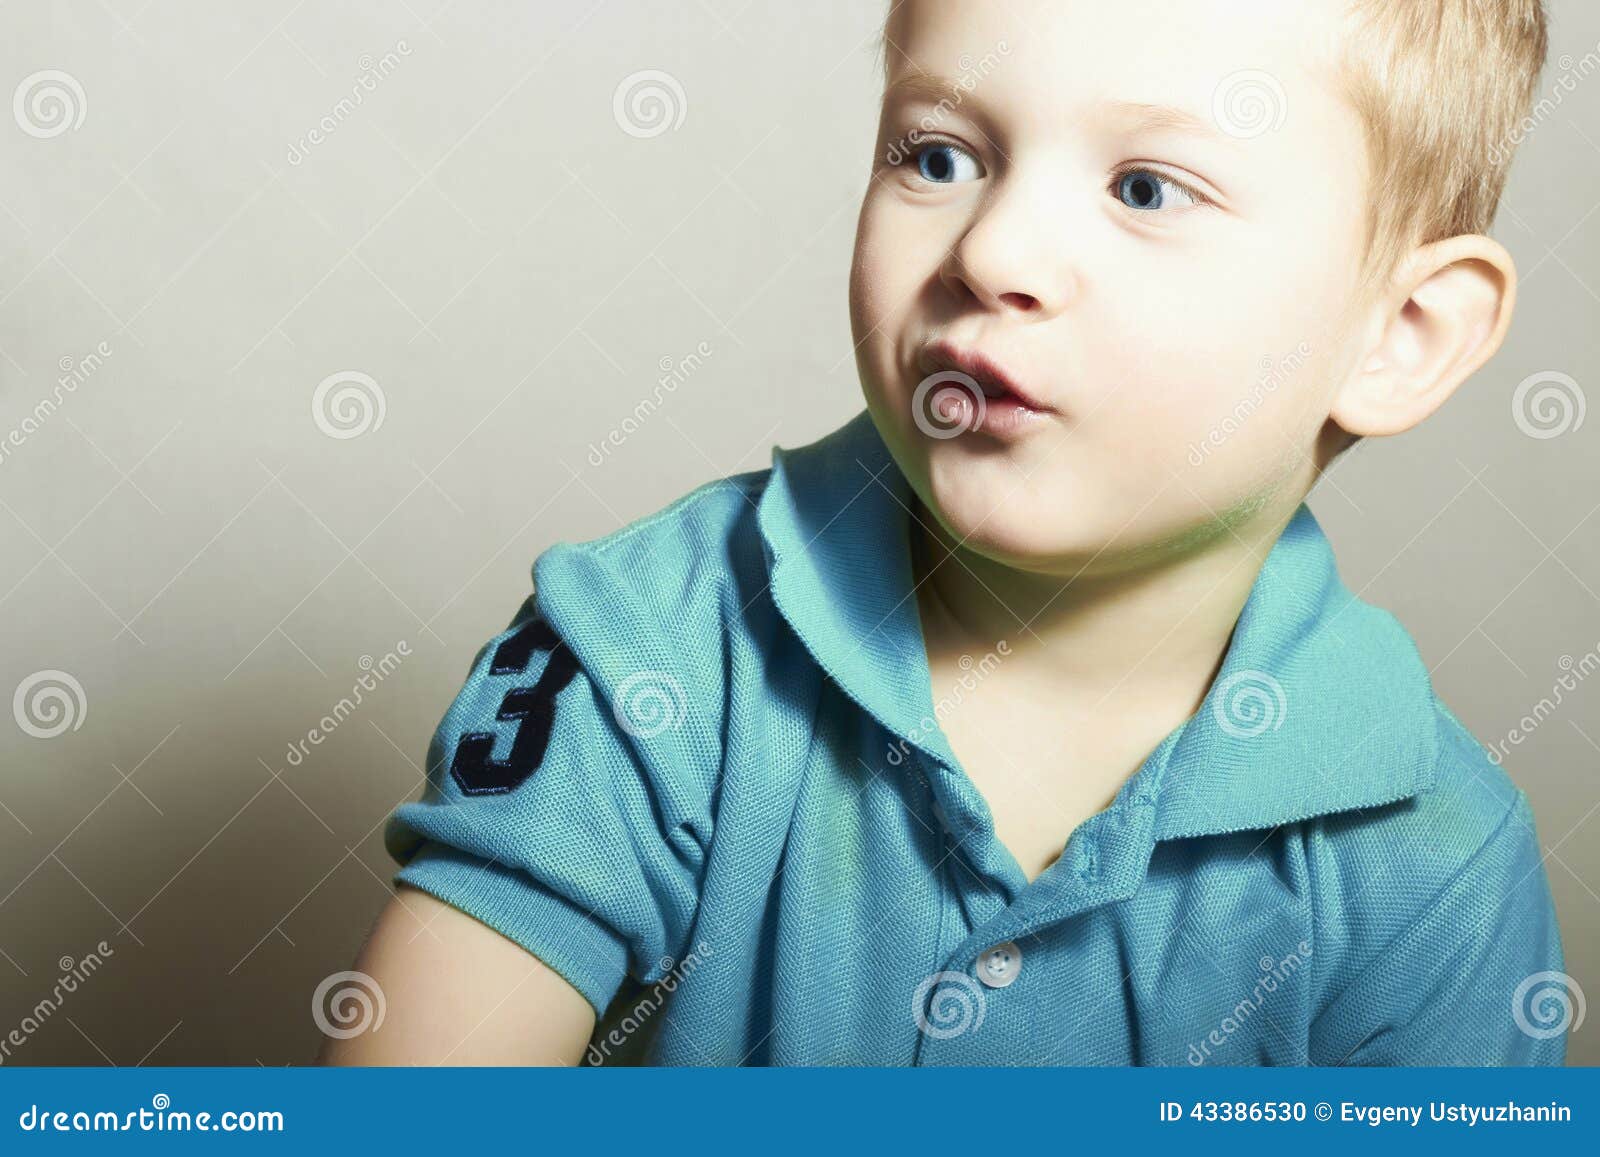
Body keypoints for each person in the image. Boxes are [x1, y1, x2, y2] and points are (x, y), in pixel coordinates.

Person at [322, 0, 1566, 1066]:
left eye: (1145, 188)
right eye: (937, 156)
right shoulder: (653, 640)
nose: (993, 249)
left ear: (1399, 335)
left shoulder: (1434, 869)